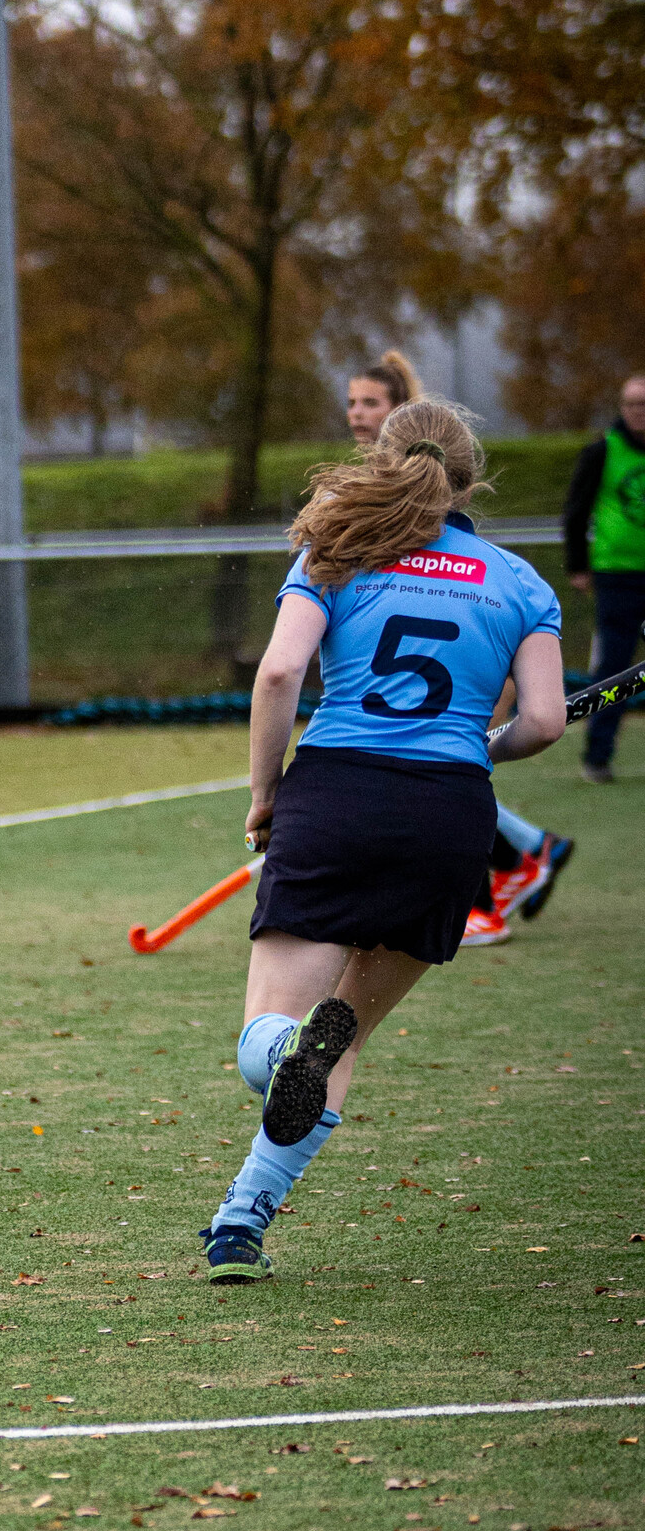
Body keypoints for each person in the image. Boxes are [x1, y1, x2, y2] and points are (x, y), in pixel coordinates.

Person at [201, 399, 566, 1279]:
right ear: (472, 478)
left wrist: (265, 793)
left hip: (336, 794)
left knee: (273, 1033)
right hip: (449, 814)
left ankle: (284, 1059)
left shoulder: (336, 551)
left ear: (380, 458)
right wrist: (486, 745)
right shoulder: (520, 582)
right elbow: (546, 722)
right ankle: (242, 1220)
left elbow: (282, 671)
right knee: (347, 1037)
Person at [344, 353, 569, 939]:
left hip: (438, 686)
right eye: (352, 403)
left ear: (403, 420)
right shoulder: (367, 501)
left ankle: (489, 893)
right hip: (388, 702)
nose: (357, 415)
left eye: (370, 404)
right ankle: (529, 851)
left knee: (439, 779)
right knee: (438, 779)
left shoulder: (454, 537)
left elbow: (480, 613)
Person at [565, 371, 645, 785]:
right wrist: (579, 565)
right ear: (622, 408)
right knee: (614, 670)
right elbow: (576, 510)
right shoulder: (603, 451)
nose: (639, 413)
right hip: (617, 577)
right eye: (632, 405)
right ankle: (597, 756)